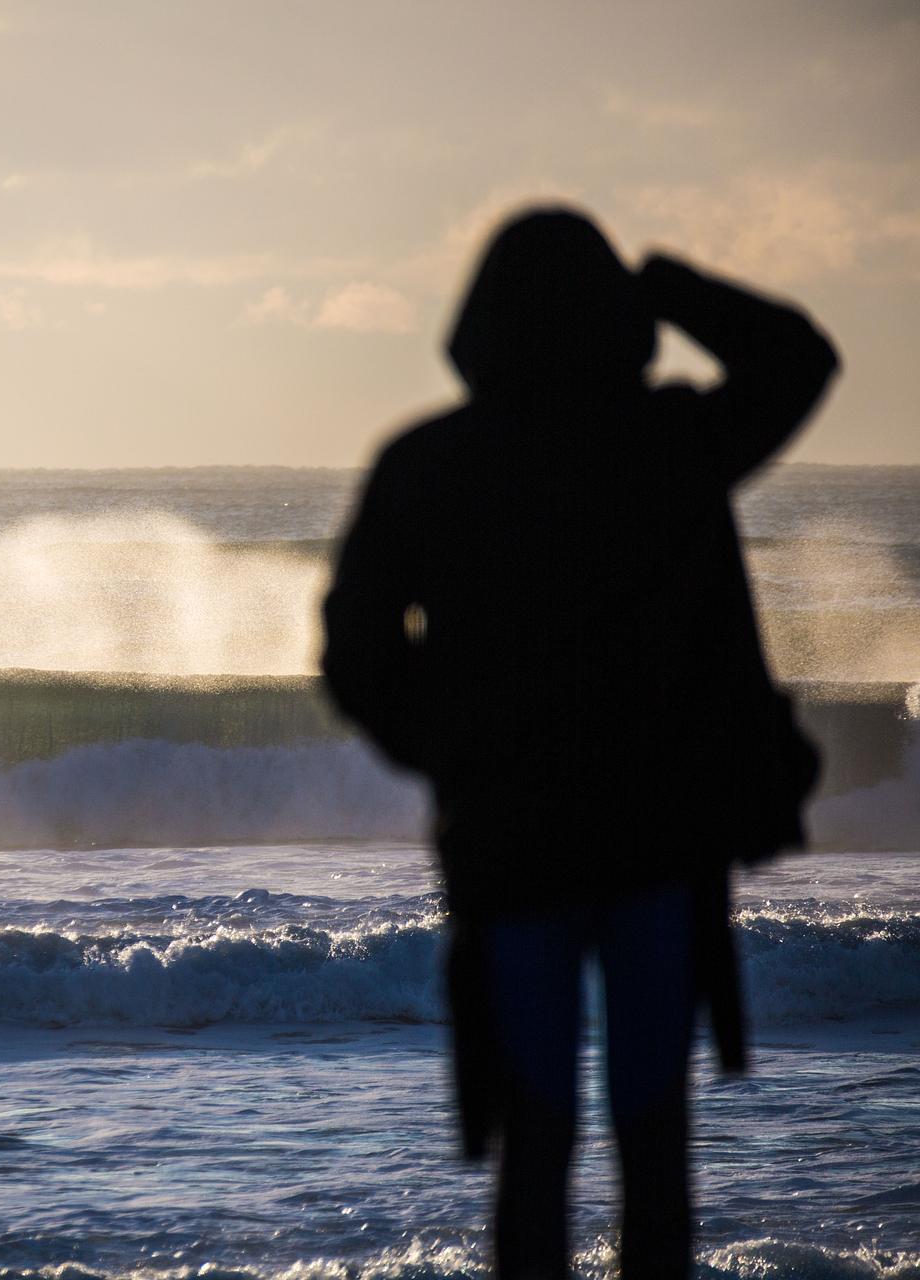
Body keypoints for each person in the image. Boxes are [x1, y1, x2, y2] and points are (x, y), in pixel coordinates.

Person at [318, 206, 839, 1280]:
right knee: (654, 1144)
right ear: (615, 317)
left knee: (535, 1144)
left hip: (512, 848)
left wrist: (447, 748)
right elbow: (799, 358)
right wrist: (668, 285)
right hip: (659, 846)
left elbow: (353, 652)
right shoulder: (672, 443)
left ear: (480, 322)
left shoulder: (430, 462)